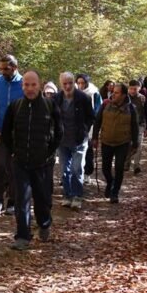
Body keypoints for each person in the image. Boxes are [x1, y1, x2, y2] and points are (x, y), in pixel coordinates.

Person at [2, 70, 63, 250]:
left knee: (42, 199)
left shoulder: (50, 106)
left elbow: (59, 132)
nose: (29, 88)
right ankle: (22, 235)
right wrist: (13, 152)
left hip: (43, 163)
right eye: (26, 85)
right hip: (20, 162)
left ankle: (44, 223)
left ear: (40, 85)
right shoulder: (15, 106)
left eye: (33, 84)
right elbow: (5, 133)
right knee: (21, 200)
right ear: (22, 86)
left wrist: (49, 152)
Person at [0, 55, 23, 216]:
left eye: (6, 69)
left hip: (17, 133)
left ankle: (12, 201)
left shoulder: (23, 83)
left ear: (14, 68)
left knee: (14, 167)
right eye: (0, 68)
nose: (2, 71)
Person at [54, 72, 94, 210]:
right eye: (64, 83)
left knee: (76, 168)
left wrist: (84, 129)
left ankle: (77, 196)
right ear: (61, 84)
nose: (68, 86)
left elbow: (91, 116)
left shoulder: (83, 98)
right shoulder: (56, 98)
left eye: (70, 82)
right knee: (64, 170)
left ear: (74, 83)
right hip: (62, 140)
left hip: (78, 139)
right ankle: (67, 195)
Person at [92, 83, 139, 204]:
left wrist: (135, 143)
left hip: (123, 142)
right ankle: (110, 182)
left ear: (123, 95)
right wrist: (95, 137)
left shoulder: (131, 108)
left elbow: (134, 126)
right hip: (106, 141)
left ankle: (115, 192)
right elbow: (97, 121)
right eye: (113, 92)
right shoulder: (106, 105)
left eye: (116, 92)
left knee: (119, 167)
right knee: (105, 168)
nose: (113, 94)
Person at [76, 73, 102, 183]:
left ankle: (87, 173)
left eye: (83, 83)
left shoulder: (94, 92)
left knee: (88, 151)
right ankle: (74, 174)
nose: (81, 85)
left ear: (87, 83)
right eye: (79, 83)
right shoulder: (74, 92)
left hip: (89, 126)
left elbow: (97, 110)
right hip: (75, 126)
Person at [126, 80, 147, 175]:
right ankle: (126, 162)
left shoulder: (142, 98)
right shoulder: (124, 98)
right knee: (128, 144)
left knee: (139, 145)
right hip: (126, 125)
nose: (133, 91)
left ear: (139, 89)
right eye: (131, 89)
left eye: (135, 89)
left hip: (139, 125)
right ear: (128, 88)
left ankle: (136, 166)